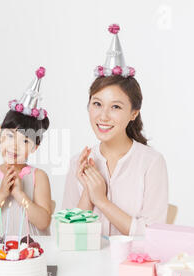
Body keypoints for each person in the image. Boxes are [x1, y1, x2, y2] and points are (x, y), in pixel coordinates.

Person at [62, 24, 168, 236]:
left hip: (132, 267)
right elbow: (67, 236)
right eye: (97, 104)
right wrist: (87, 196)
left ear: (133, 113)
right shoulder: (79, 163)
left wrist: (101, 200)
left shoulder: (151, 162)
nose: (103, 116)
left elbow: (153, 235)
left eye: (116, 107)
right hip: (85, 267)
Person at [0, 67, 52, 238]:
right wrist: (2, 193)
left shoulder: (38, 177)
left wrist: (19, 194)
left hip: (31, 251)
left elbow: (43, 222)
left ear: (35, 147)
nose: (14, 146)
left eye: (25, 141)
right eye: (10, 136)